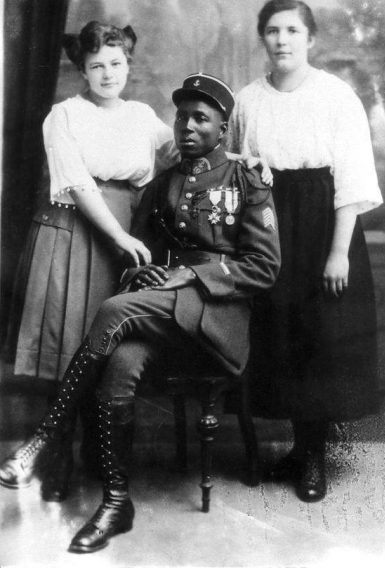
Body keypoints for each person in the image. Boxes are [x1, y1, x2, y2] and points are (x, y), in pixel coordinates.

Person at [0, 73, 281, 553]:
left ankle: (46, 438)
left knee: (113, 310)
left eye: (201, 118)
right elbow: (145, 254)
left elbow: (264, 266)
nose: (187, 127)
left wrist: (190, 277)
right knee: (121, 368)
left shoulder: (247, 179)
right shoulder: (163, 185)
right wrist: (145, 276)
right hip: (162, 310)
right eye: (181, 117)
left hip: (216, 319)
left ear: (224, 127)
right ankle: (116, 503)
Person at [4, 20, 179, 501]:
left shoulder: (143, 116)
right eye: (96, 65)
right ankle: (56, 458)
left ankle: (99, 458)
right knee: (67, 349)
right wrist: (120, 234)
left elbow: (183, 151)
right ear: (81, 68)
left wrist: (240, 158)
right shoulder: (63, 115)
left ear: (129, 64)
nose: (108, 73)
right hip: (74, 232)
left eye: (116, 63)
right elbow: (79, 184)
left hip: (125, 238)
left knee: (102, 354)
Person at [229, 0, 383, 503]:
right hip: (268, 225)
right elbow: (233, 165)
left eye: (293, 30)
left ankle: (313, 454)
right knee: (277, 334)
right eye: (272, 30)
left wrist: (338, 253)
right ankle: (297, 449)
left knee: (318, 335)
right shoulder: (249, 100)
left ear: (310, 38)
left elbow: (354, 179)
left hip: (322, 226)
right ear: (262, 38)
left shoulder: (337, 97)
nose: (282, 40)